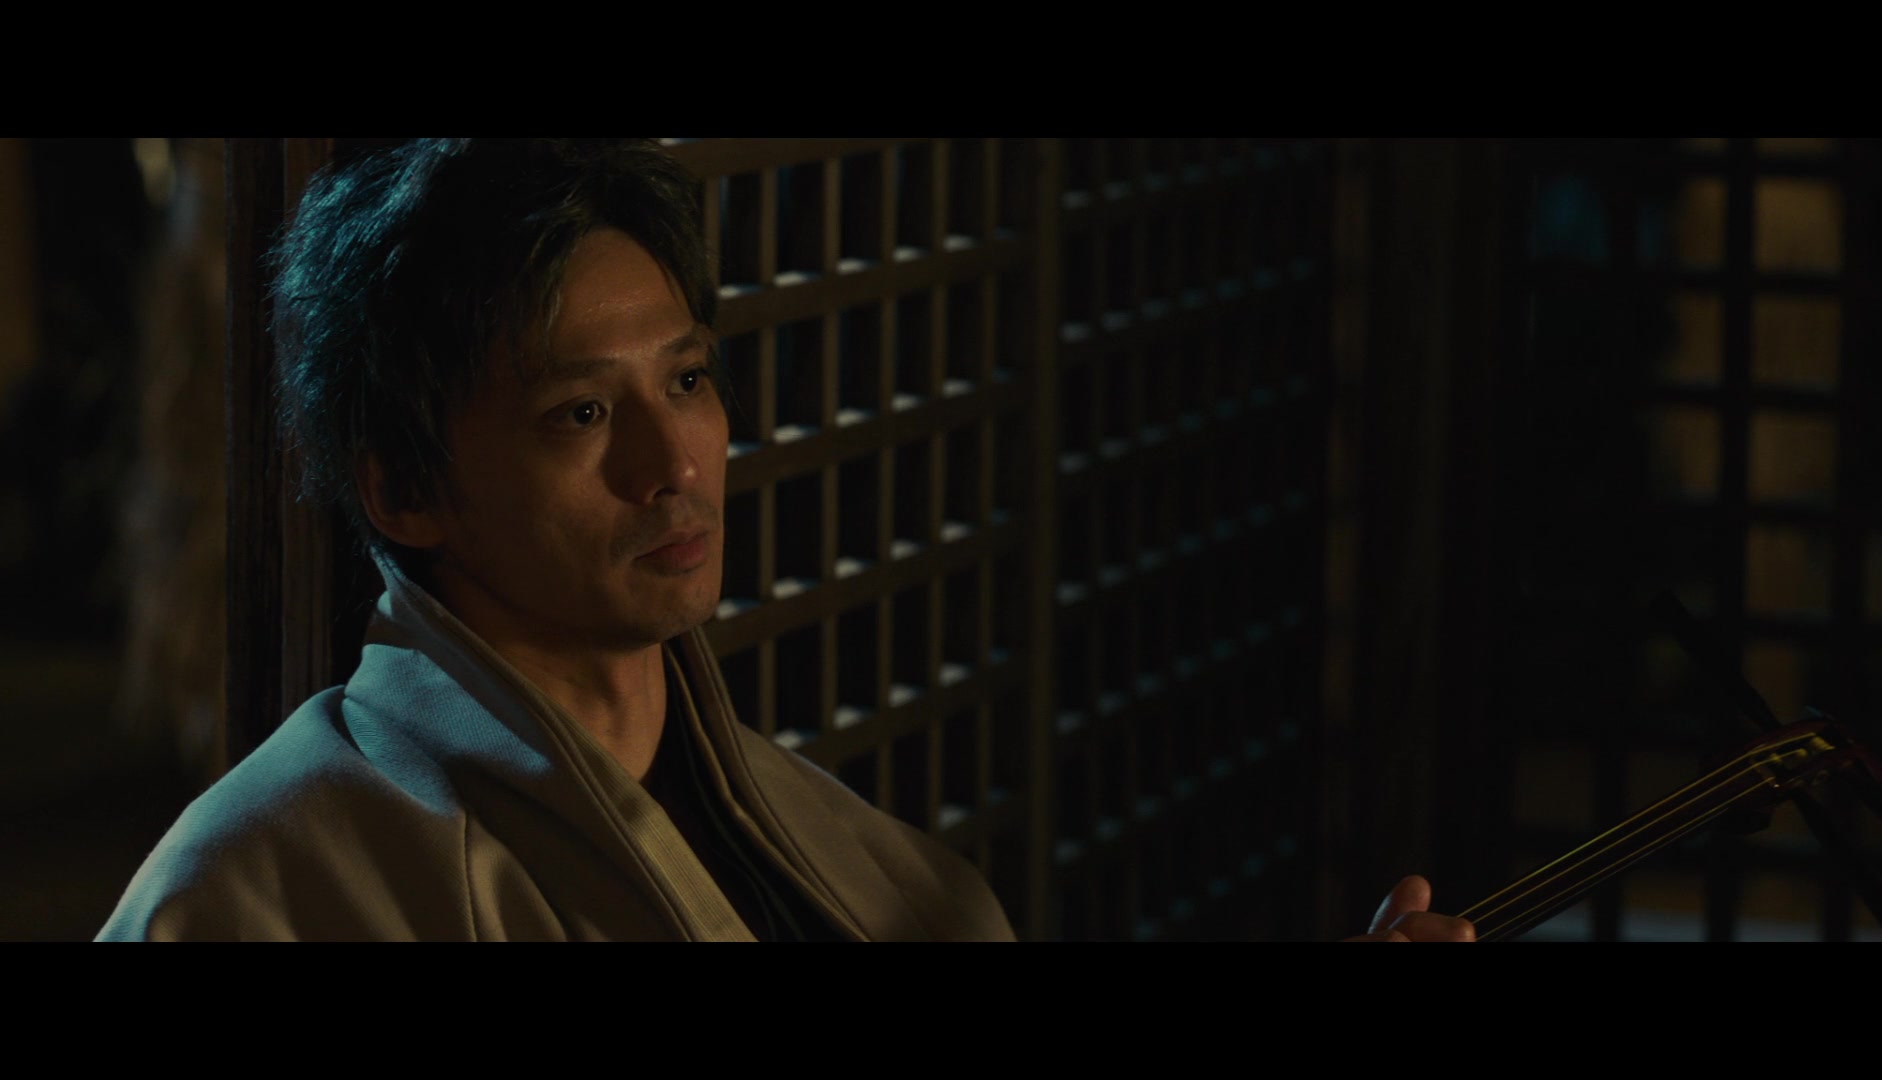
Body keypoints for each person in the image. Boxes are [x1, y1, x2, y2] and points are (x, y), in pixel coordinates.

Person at [97, 138, 1470, 942]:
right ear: (405, 490)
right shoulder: (267, 889)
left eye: (689, 380)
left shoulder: (857, 858)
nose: (674, 463)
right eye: (584, 411)